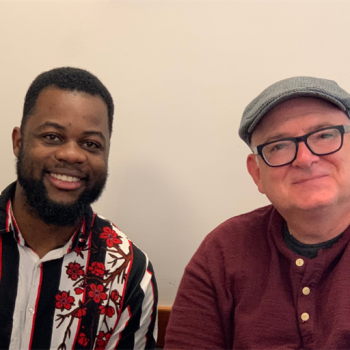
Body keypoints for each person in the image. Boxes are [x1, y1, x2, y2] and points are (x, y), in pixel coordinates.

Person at [164, 76, 350, 350]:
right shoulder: (224, 251)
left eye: (324, 135)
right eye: (279, 146)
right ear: (256, 173)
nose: (305, 158)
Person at [0, 67, 157, 350]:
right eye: (52, 136)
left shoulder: (129, 272)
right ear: (18, 142)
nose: (71, 154)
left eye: (90, 144)